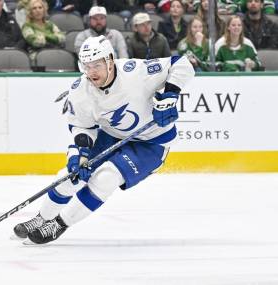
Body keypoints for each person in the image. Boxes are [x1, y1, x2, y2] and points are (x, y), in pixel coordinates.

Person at [12, 35, 195, 244]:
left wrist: (171, 95)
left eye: (96, 65)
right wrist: (79, 156)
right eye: (86, 66)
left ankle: (58, 225)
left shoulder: (135, 72)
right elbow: (82, 126)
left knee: (106, 178)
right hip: (110, 135)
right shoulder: (80, 89)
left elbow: (182, 63)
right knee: (70, 175)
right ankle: (41, 218)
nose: (91, 72)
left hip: (151, 143)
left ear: (110, 60)